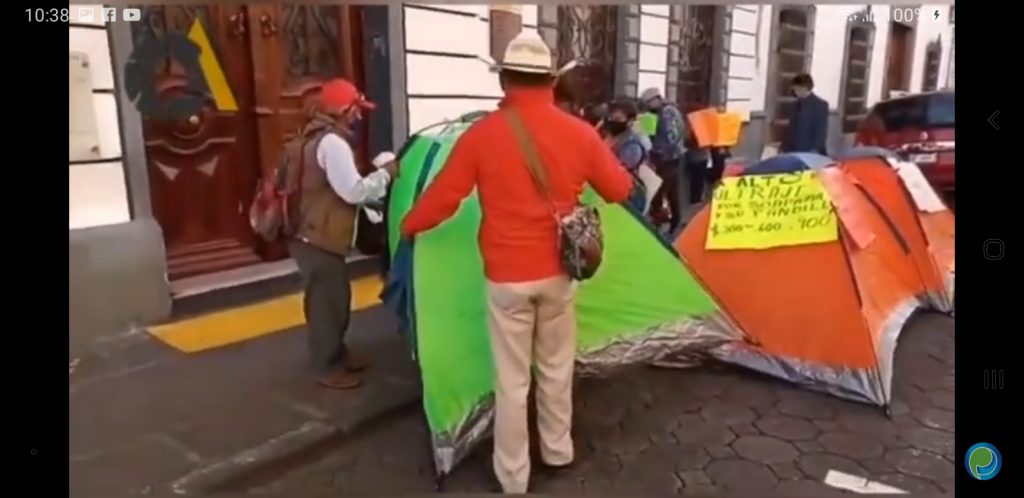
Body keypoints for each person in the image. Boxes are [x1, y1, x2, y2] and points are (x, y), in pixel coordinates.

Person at [400, 32, 633, 494]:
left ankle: (513, 476)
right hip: (559, 274)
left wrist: (408, 225)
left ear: (504, 80)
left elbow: (444, 199)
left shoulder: (481, 135)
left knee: (511, 381)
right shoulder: (579, 133)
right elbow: (619, 190)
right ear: (551, 81)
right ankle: (558, 451)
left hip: (506, 277)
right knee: (556, 367)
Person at [290, 78, 399, 390]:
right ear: (342, 110)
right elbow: (353, 191)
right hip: (318, 238)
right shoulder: (333, 144)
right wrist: (386, 174)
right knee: (328, 306)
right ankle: (328, 367)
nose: (359, 116)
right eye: (356, 109)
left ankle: (337, 353)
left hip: (311, 234)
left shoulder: (314, 136)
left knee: (333, 300)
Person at [639, 87, 686, 231]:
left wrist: (654, 150)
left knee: (661, 191)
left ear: (658, 99)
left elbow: (671, 138)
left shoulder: (667, 113)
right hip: (668, 157)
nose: (647, 106)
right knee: (669, 191)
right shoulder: (665, 112)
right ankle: (673, 221)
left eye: (649, 103)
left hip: (668, 159)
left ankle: (666, 222)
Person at [603, 99, 648, 213]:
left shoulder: (632, 145)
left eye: (617, 119)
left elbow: (617, 169)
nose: (611, 121)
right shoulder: (610, 136)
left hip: (628, 199)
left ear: (630, 121)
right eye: (611, 117)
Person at [781, 73, 829, 155]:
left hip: (810, 150)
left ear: (804, 88)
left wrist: (815, 149)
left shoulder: (820, 105)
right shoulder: (794, 105)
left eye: (796, 89)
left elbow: (821, 130)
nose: (795, 92)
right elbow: (791, 128)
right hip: (793, 149)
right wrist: (784, 147)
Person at [682, 128, 710, 204]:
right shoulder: (704, 131)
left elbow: (687, 144)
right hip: (701, 158)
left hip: (693, 158)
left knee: (695, 180)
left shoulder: (692, 132)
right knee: (699, 180)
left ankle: (696, 198)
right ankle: (698, 198)